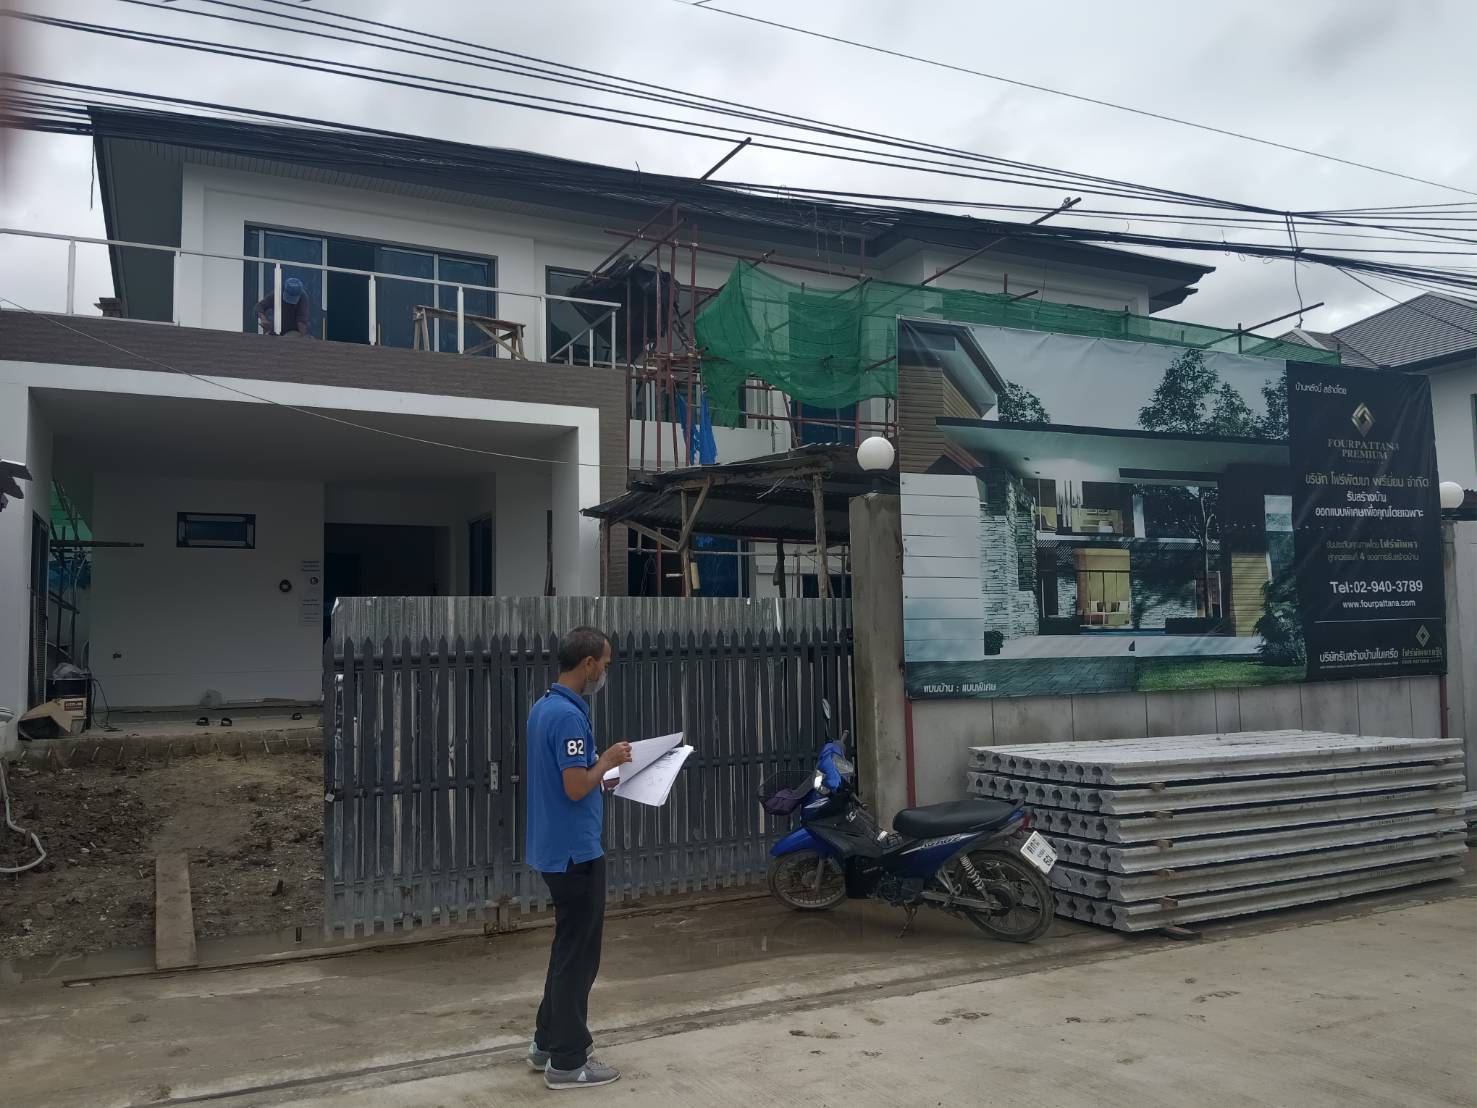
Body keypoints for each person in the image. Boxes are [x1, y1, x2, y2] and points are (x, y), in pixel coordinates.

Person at [525, 626, 631, 1090]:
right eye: (603, 665)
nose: (604, 673)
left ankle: (547, 1042)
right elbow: (573, 786)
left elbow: (572, 778)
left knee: (567, 950)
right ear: (587, 664)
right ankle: (568, 1063)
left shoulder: (545, 707)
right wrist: (607, 760)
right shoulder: (568, 717)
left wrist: (601, 773)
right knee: (579, 957)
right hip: (575, 852)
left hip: (556, 848)